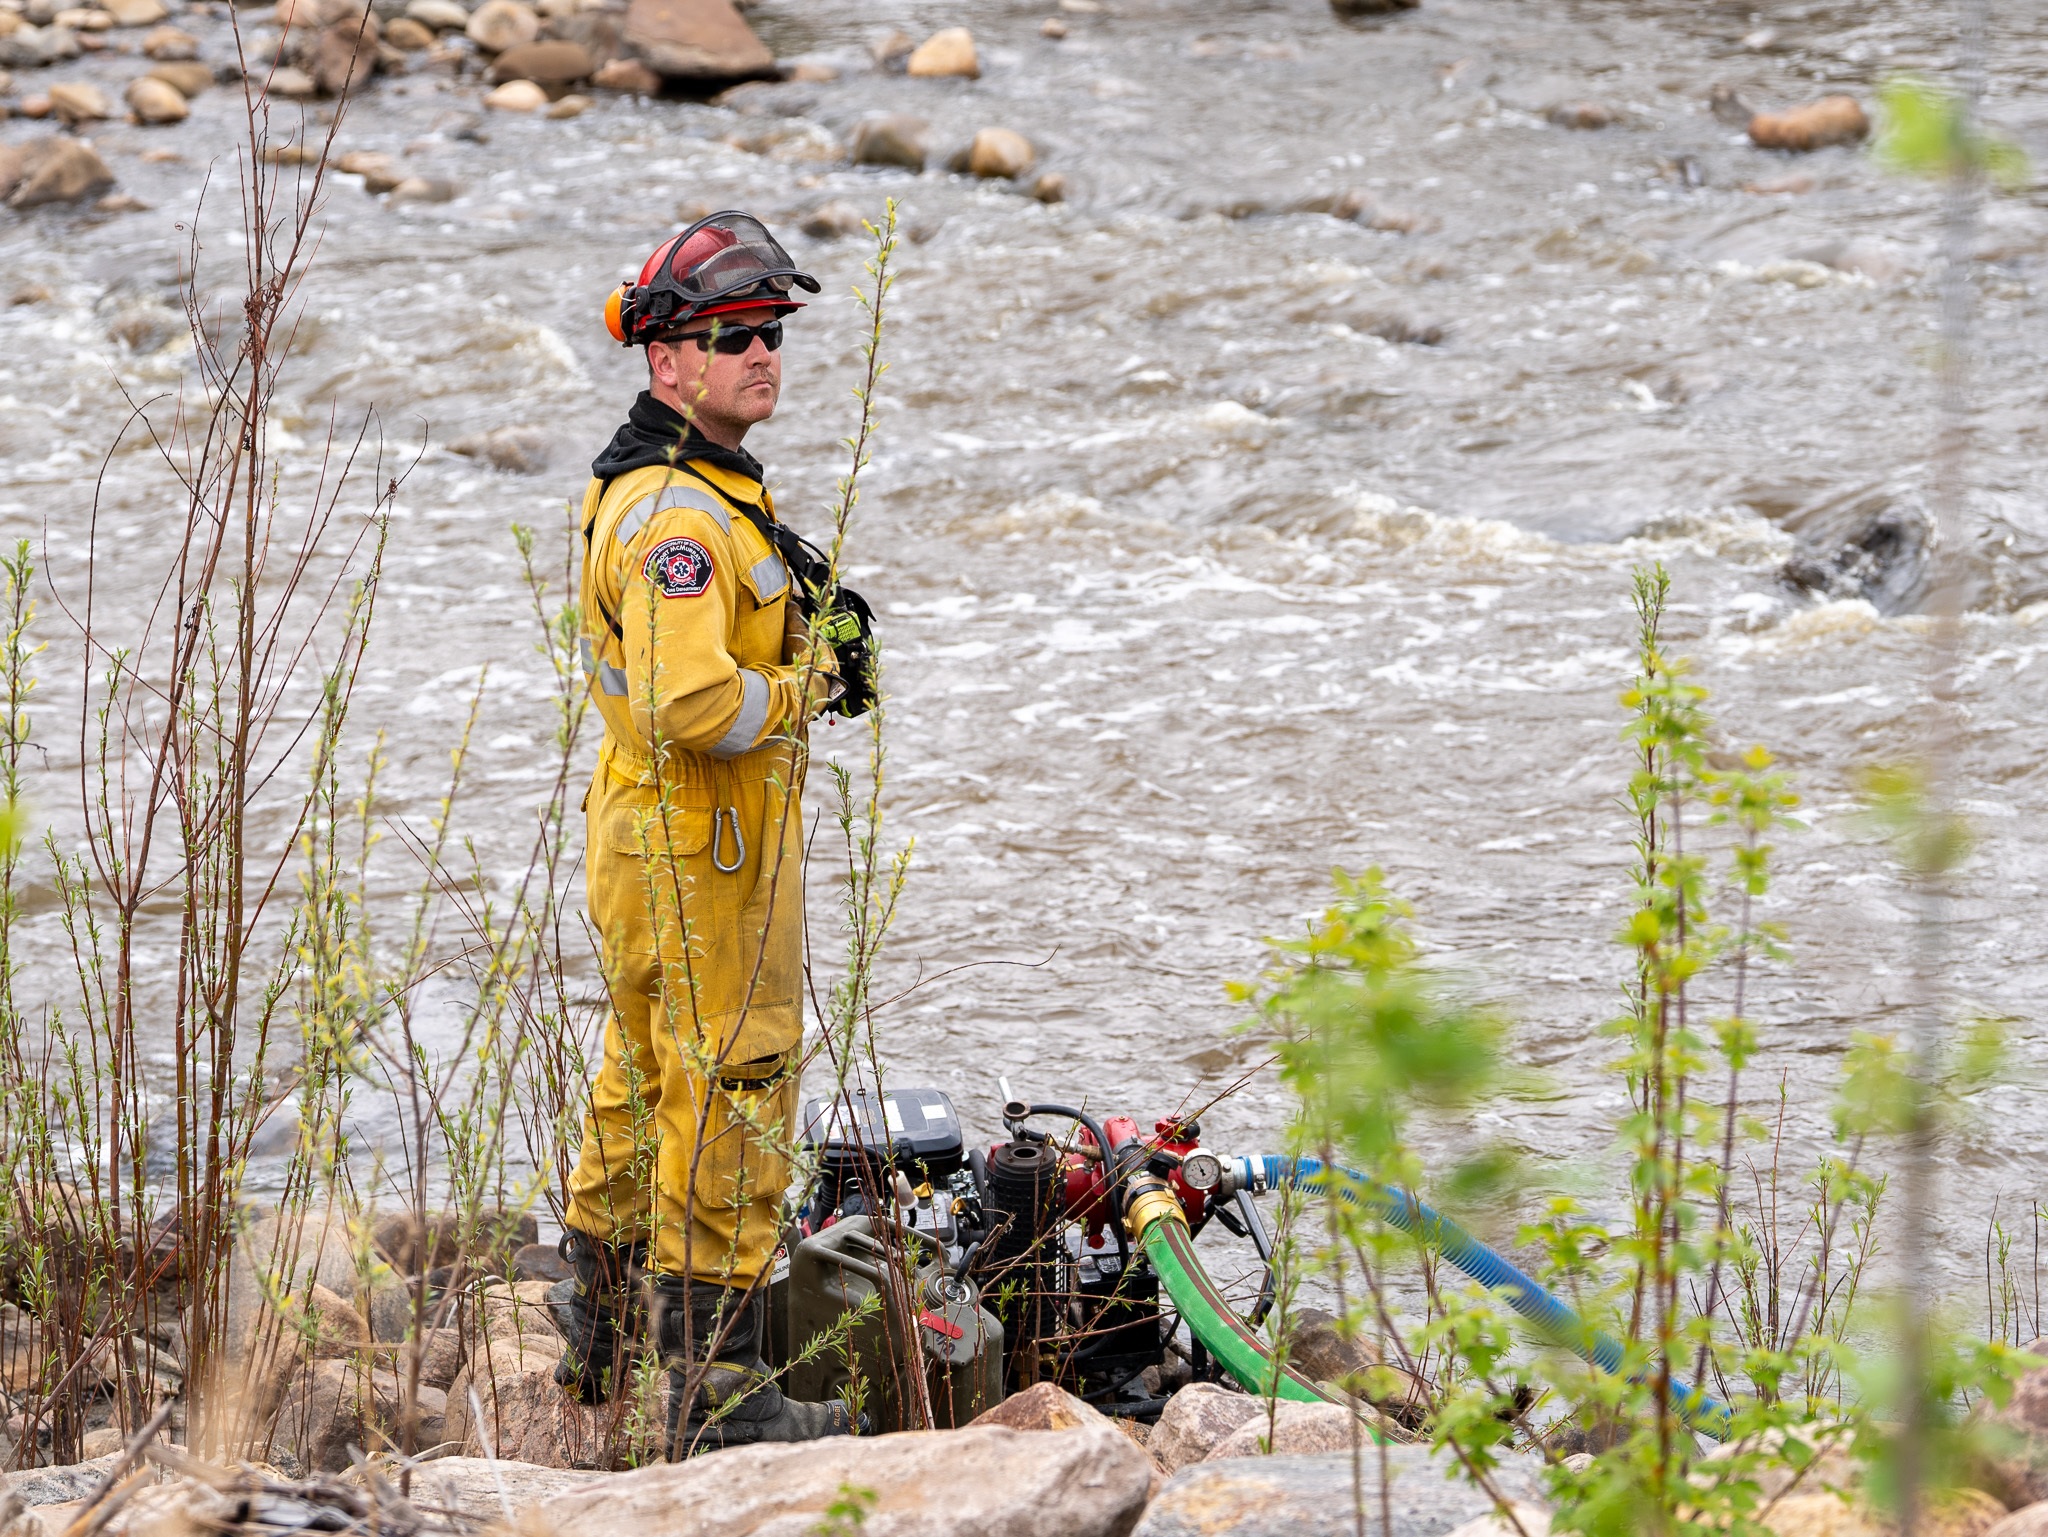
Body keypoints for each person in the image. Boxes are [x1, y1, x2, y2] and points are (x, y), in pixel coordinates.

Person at [548, 211, 855, 1452]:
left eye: (771, 331)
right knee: (736, 1071)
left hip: (638, 831)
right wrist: (809, 685)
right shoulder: (680, 521)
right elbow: (692, 705)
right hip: (704, 835)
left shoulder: (664, 478)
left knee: (643, 1064)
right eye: (732, 336)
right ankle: (718, 1393)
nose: (761, 352)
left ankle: (602, 1322)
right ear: (665, 361)